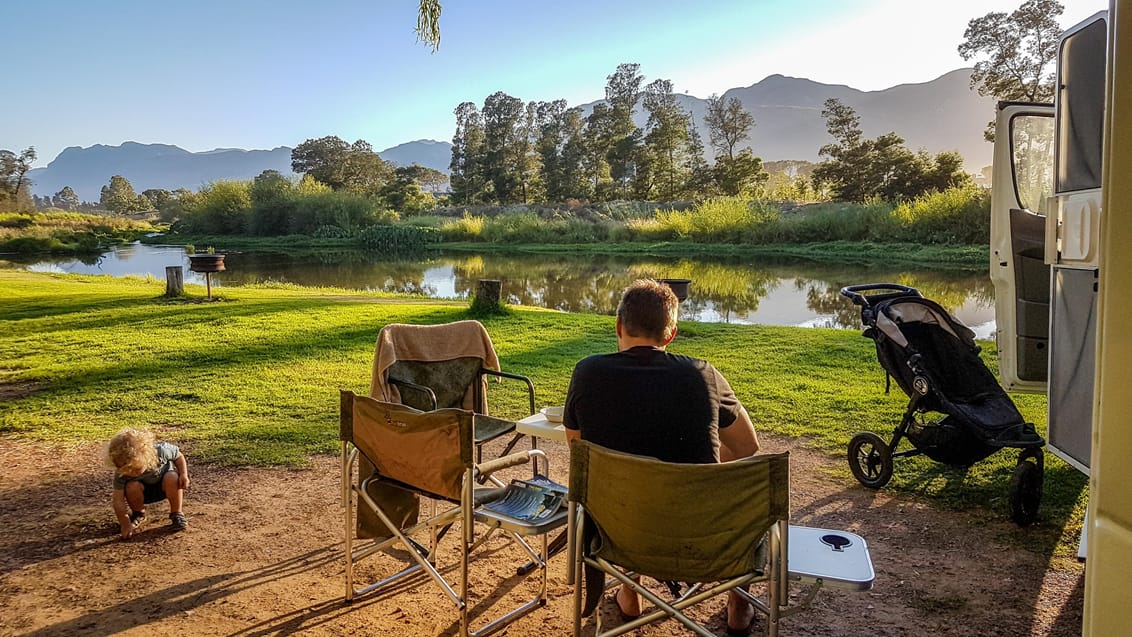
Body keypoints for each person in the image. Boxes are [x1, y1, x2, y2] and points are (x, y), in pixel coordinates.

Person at [564, 278, 761, 635]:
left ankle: (628, 591)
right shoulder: (703, 375)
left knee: (619, 485)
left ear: (618, 326)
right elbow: (748, 448)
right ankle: (737, 602)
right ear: (671, 335)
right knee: (739, 497)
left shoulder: (586, 372)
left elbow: (580, 455)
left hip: (618, 536)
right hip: (703, 537)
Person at [106, 428, 190, 539]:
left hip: (164, 487)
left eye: (136, 469)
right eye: (126, 471)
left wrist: (183, 474)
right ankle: (138, 513)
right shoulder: (122, 473)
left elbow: (178, 456)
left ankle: (177, 513)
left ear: (146, 456)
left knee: (172, 477)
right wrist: (124, 523)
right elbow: (118, 500)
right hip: (142, 493)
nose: (131, 474)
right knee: (131, 485)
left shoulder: (161, 451)